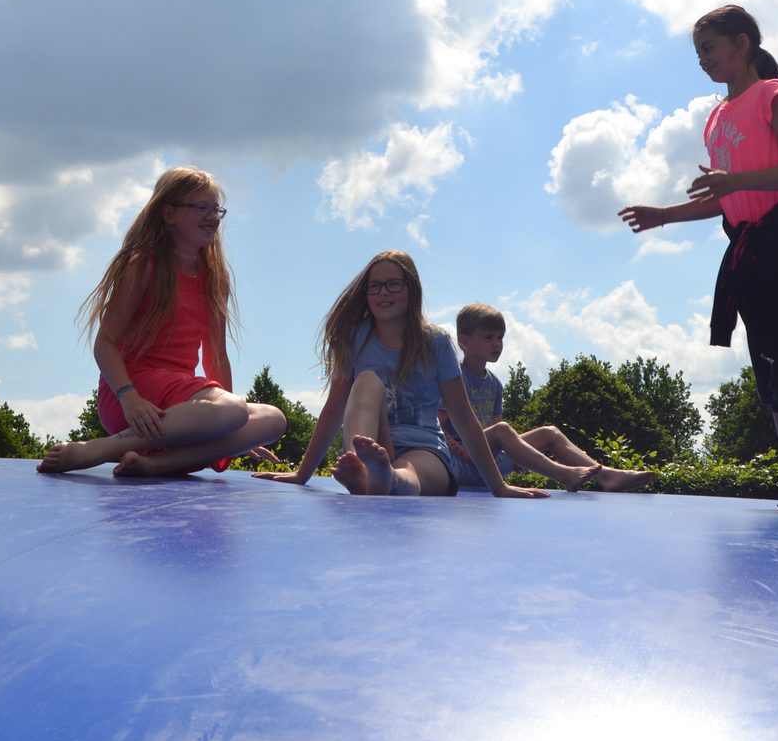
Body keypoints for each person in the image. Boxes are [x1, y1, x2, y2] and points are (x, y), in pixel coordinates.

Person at [619, 4, 778, 511]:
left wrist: (736, 181)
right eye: (697, 52)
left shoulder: (771, 96)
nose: (703, 60)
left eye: (710, 48)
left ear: (742, 45)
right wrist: (664, 215)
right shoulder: (716, 117)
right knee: (768, 378)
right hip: (750, 251)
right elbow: (726, 197)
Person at [36, 168, 285, 478]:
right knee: (234, 410)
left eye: (217, 208)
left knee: (273, 419)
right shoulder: (144, 266)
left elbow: (216, 356)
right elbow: (106, 344)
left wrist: (228, 429)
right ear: (169, 213)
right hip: (133, 395)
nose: (214, 217)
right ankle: (101, 448)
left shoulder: (215, 279)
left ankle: (153, 464)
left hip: (178, 408)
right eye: (201, 207)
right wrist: (130, 398)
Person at [255, 251, 547, 498]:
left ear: (411, 289)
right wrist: (301, 474)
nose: (383, 293)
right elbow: (334, 409)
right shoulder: (355, 338)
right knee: (367, 380)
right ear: (366, 293)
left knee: (411, 473)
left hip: (425, 447)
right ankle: (365, 467)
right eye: (375, 286)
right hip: (374, 440)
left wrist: (498, 485)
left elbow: (463, 416)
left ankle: (386, 478)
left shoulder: (436, 341)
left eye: (393, 285)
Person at [439, 303, 657, 492]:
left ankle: (606, 476)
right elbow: (438, 425)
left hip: (488, 463)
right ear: (464, 341)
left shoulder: (494, 384)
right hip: (461, 465)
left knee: (549, 433)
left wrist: (519, 452)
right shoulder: (455, 379)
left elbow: (496, 429)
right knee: (504, 430)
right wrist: (464, 452)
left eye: (500, 337)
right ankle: (564, 474)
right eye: (488, 337)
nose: (497, 343)